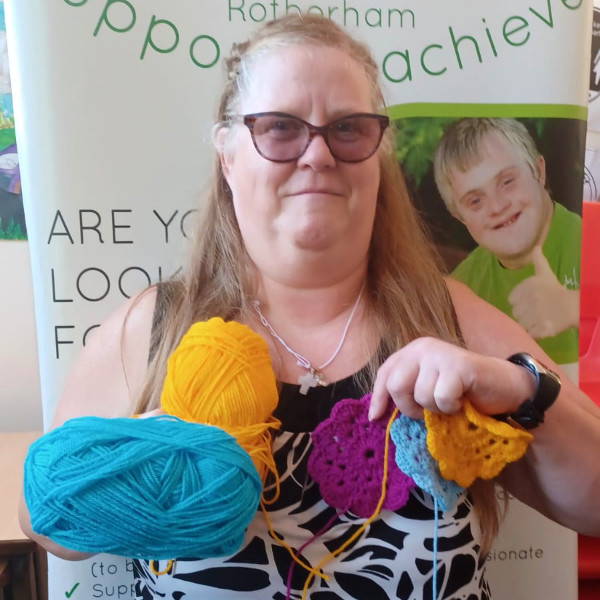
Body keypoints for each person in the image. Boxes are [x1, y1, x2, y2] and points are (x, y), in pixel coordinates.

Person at [19, 14, 600, 600]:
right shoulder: (157, 327)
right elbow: (46, 527)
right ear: (228, 155)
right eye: (279, 128)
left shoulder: (446, 316)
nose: (317, 155)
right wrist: (140, 458)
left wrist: (524, 393)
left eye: (347, 129)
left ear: (377, 155)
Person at [432, 118, 581, 379]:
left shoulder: (589, 237)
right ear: (458, 216)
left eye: (507, 182)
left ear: (539, 172)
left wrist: (574, 308)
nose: (498, 206)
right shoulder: (461, 291)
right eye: (476, 200)